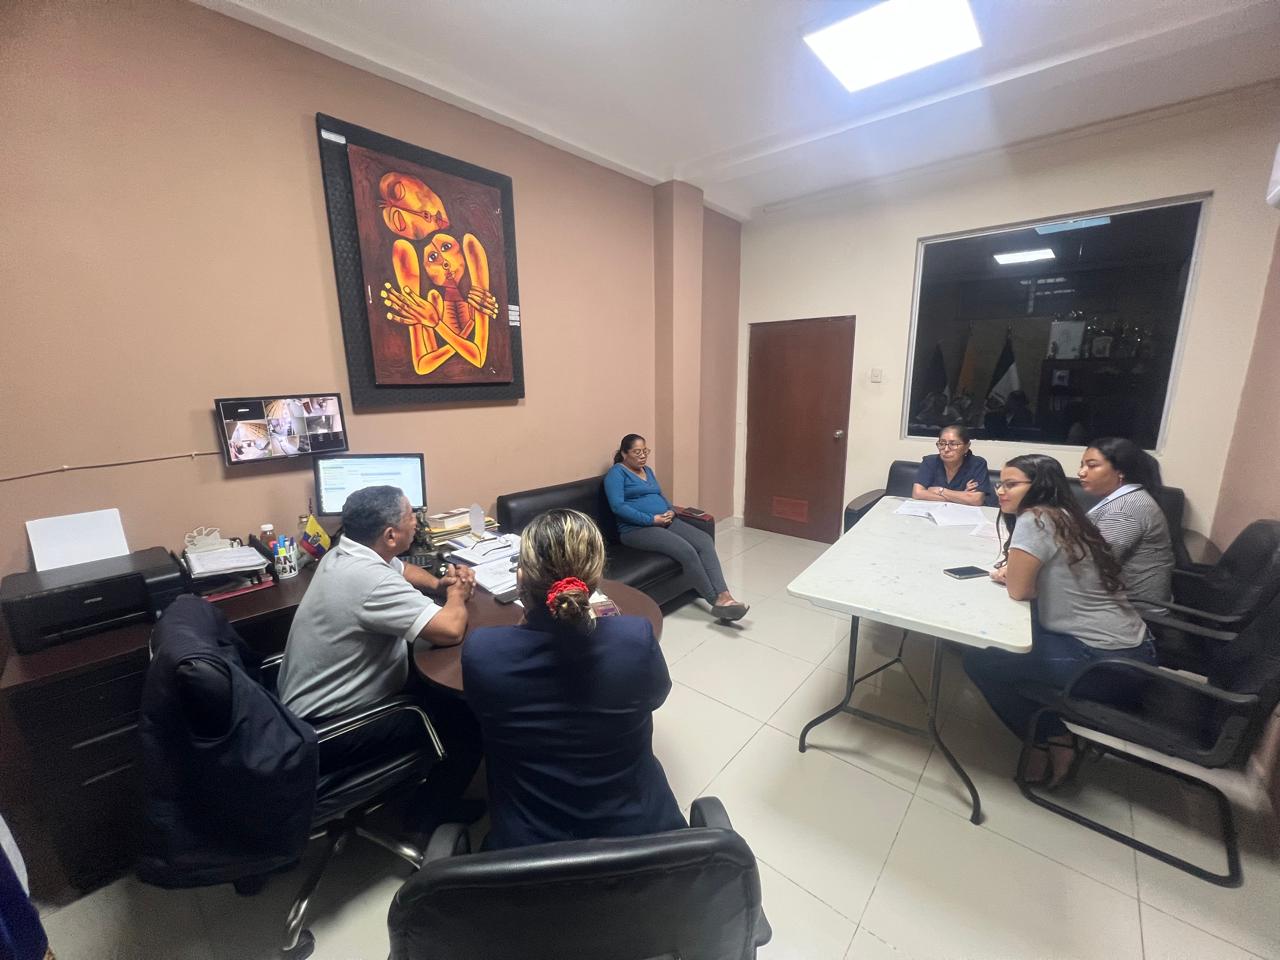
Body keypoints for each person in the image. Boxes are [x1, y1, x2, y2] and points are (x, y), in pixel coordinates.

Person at [462, 508, 685, 850]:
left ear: (521, 578)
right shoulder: (634, 639)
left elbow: (482, 717)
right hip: (642, 836)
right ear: (594, 579)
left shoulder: (483, 651)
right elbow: (656, 696)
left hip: (526, 848)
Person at [277, 485, 483, 833]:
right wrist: (457, 594)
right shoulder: (369, 581)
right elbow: (449, 630)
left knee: (440, 687)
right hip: (334, 729)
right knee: (467, 723)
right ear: (390, 535)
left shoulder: (343, 553)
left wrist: (439, 585)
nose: (417, 522)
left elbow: (401, 569)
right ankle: (425, 818)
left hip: (302, 711)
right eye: (411, 516)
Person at [962, 454, 1157, 788]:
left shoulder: (1035, 519)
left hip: (1108, 665)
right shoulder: (1065, 515)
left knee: (980, 660)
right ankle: (1048, 731)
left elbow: (1020, 591)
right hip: (1137, 650)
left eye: (1011, 484)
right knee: (1007, 642)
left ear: (1038, 486)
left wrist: (1013, 576)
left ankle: (1050, 738)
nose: (1000, 491)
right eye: (1000, 484)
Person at [604, 434, 747, 621]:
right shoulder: (616, 474)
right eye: (637, 452)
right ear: (624, 453)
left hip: (665, 520)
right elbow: (618, 507)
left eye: (645, 451)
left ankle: (725, 594)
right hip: (636, 530)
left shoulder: (647, 470)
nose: (643, 455)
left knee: (704, 541)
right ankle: (716, 601)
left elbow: (660, 495)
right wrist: (651, 519)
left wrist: (671, 511)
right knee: (686, 550)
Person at [1078, 437, 1174, 612]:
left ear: (1120, 471)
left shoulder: (1125, 510)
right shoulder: (1126, 499)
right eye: (1082, 465)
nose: (1081, 472)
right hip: (1116, 602)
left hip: (1133, 613)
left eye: (1092, 466)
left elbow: (1092, 566)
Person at [912, 424, 993, 506]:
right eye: (942, 443)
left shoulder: (977, 464)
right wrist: (961, 496)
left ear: (966, 447)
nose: (946, 449)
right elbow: (917, 493)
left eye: (953, 444)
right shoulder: (930, 461)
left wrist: (941, 491)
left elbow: (976, 500)